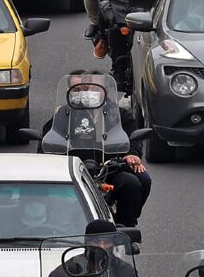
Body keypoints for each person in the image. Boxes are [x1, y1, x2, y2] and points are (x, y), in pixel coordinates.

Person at [42, 70, 152, 227]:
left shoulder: (119, 114)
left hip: (109, 169)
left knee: (136, 182)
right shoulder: (66, 112)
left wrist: (131, 155)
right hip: (75, 167)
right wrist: (45, 155)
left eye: (95, 89)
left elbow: (132, 137)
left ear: (105, 90)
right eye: (87, 89)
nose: (90, 93)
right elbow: (50, 134)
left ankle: (126, 223)